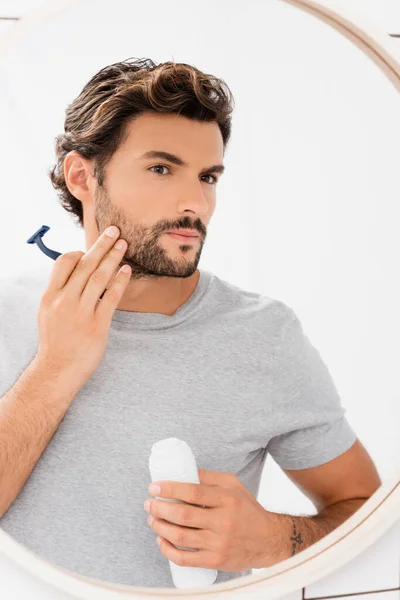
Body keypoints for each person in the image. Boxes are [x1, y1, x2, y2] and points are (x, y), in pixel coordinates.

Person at [0, 57, 381, 588]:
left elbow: (366, 514)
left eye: (208, 177)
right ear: (83, 176)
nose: (195, 202)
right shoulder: (4, 311)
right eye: (162, 168)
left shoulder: (263, 336)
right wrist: (56, 369)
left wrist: (275, 538)